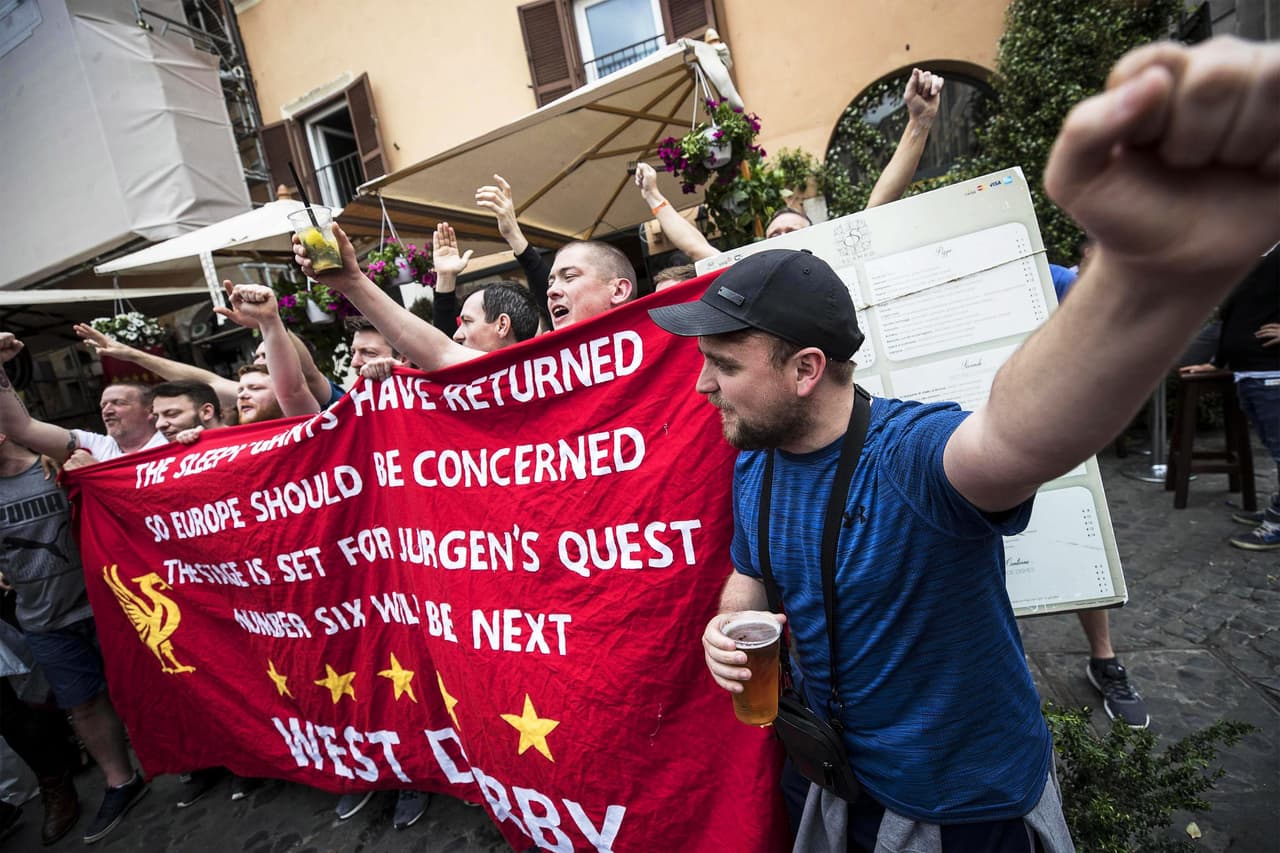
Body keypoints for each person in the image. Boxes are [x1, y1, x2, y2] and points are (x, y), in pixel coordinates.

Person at [649, 35, 1280, 850]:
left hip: (954, 810)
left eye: (725, 365)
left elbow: (1018, 434)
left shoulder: (909, 455)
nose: (703, 386)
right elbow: (749, 574)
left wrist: (1140, 274)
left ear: (806, 369)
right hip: (829, 783)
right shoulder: (757, 460)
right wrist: (728, 627)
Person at [0, 429, 148, 843]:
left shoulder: (57, 466)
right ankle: (121, 782)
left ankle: (191, 759)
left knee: (146, 683)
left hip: (107, 601)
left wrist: (81, 466)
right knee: (82, 704)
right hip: (43, 619)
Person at [633, 68, 945, 261]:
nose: (784, 238)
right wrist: (652, 196)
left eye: (792, 231)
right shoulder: (759, 279)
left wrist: (919, 122)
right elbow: (698, 249)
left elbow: (881, 202)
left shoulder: (834, 259)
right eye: (775, 235)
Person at [292, 223, 634, 370]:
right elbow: (440, 351)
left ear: (618, 290)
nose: (553, 289)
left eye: (569, 277)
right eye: (551, 280)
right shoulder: (537, 365)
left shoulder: (657, 346)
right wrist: (352, 282)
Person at [1046, 262, 1150, 728]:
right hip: (943, 433)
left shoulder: (1047, 274)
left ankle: (1104, 658)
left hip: (1048, 427)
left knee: (1074, 537)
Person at [1180, 246, 1280, 550]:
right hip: (1251, 373)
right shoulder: (1258, 247)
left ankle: (1277, 524)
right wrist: (1218, 361)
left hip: (1270, 373)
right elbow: (1237, 314)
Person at [0, 336, 166, 468]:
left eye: (118, 403)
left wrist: (98, 471)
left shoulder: (172, 443)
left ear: (151, 410)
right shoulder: (97, 446)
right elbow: (22, 428)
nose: (107, 410)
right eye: (103, 405)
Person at [150, 381, 223, 441]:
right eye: (156, 417)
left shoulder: (230, 443)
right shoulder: (165, 453)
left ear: (206, 412)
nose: (159, 425)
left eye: (172, 414)